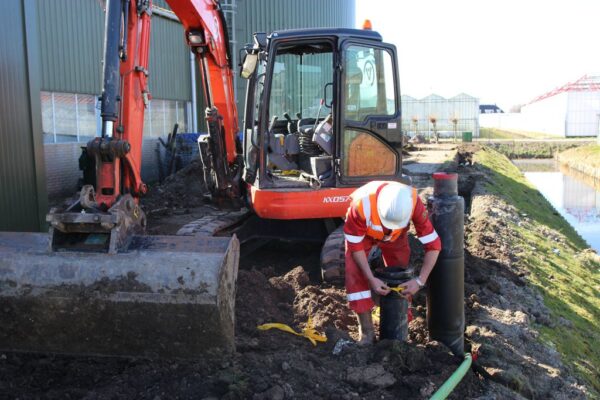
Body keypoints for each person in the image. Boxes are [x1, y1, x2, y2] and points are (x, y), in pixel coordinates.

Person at [343, 180, 442, 344]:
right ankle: (367, 332)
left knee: (400, 273)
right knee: (355, 272)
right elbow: (355, 247)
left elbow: (434, 245)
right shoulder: (361, 206)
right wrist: (370, 278)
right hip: (364, 236)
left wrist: (419, 281)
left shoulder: (412, 202)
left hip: (396, 236)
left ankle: (401, 322)